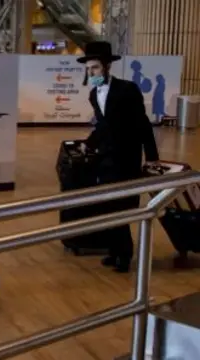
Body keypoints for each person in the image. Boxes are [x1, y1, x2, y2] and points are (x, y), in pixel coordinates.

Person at [77, 41, 159, 273]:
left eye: (94, 68)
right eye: (88, 69)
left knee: (121, 206)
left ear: (106, 66)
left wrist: (152, 156)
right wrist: (89, 144)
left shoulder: (128, 89)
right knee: (107, 206)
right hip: (105, 159)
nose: (90, 73)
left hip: (126, 158)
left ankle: (124, 254)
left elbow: (143, 124)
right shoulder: (94, 94)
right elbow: (103, 125)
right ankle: (114, 251)